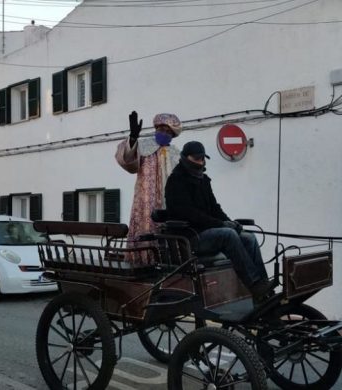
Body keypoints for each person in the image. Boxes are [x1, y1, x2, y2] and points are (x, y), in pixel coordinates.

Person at [165, 141, 274, 303]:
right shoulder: (176, 181)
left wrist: (230, 222)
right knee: (227, 234)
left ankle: (263, 286)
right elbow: (189, 214)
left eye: (203, 159)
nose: (201, 162)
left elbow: (215, 208)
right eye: (197, 159)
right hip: (190, 237)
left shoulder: (203, 180)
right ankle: (254, 283)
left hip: (208, 232)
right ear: (185, 158)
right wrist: (221, 224)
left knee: (249, 237)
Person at [116, 111, 182, 263]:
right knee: (146, 226)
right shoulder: (144, 146)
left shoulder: (176, 154)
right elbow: (127, 161)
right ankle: (143, 260)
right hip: (146, 200)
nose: (163, 133)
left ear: (173, 135)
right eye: (161, 129)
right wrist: (133, 138)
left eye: (167, 131)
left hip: (169, 202)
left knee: (167, 229)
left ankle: (166, 261)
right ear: (155, 129)